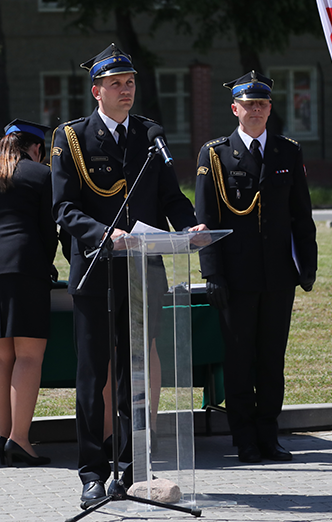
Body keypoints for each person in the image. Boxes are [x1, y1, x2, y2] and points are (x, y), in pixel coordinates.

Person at [51, 44, 207, 507]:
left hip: (144, 271)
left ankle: (132, 465)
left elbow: (170, 198)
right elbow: (63, 207)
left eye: (131, 82)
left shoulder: (149, 136)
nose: (126, 90)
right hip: (97, 270)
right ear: (96, 90)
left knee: (134, 375)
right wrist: (105, 233)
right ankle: (92, 472)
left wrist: (189, 226)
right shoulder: (72, 138)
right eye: (116, 83)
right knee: (92, 372)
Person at [194, 71, 318, 463]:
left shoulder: (287, 151)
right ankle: (243, 437)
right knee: (239, 357)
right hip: (236, 276)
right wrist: (212, 272)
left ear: (269, 108)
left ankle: (269, 433)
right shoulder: (214, 154)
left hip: (278, 275)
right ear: (235, 109)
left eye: (262, 104)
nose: (256, 111)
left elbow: (301, 216)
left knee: (271, 357)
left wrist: (308, 266)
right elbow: (206, 217)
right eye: (248, 105)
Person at [0, 119, 59, 467]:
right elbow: (49, 232)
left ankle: (4, 436)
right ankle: (20, 439)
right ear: (35, 148)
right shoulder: (41, 175)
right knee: (29, 356)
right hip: (25, 266)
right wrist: (44, 261)